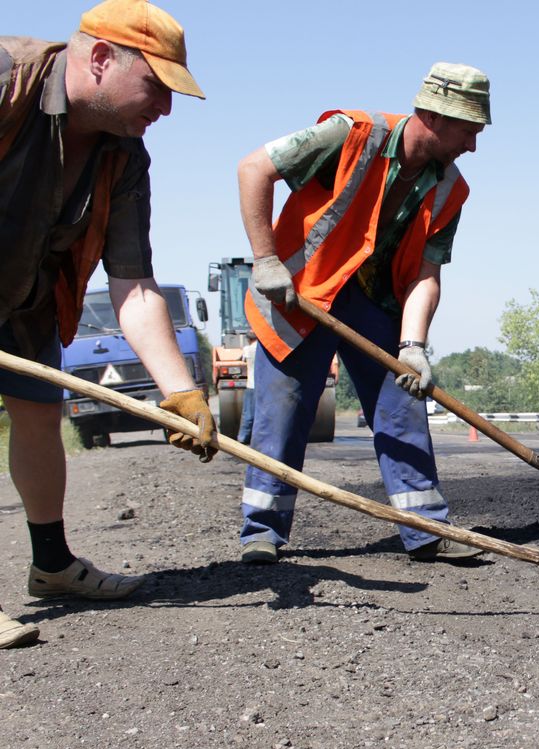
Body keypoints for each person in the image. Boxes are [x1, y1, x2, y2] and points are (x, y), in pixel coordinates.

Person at [0, 0, 217, 650]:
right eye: (156, 86)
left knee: (40, 416)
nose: (167, 109)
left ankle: (53, 565)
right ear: (100, 58)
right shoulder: (7, 78)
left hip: (24, 292)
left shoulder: (126, 158)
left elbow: (134, 285)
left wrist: (180, 392)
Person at [237, 63, 490, 565]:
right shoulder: (351, 135)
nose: (473, 146)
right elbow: (254, 169)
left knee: (403, 401)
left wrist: (413, 346)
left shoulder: (450, 190)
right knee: (282, 410)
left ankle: (425, 527)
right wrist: (265, 260)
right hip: (305, 294)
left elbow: (425, 273)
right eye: (468, 131)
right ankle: (261, 531)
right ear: (435, 117)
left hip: (375, 303)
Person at [236, 336, 257, 443]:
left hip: (251, 386)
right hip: (265, 387)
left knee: (248, 414)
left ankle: (243, 438)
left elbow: (241, 359)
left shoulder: (247, 349)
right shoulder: (264, 349)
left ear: (249, 339)